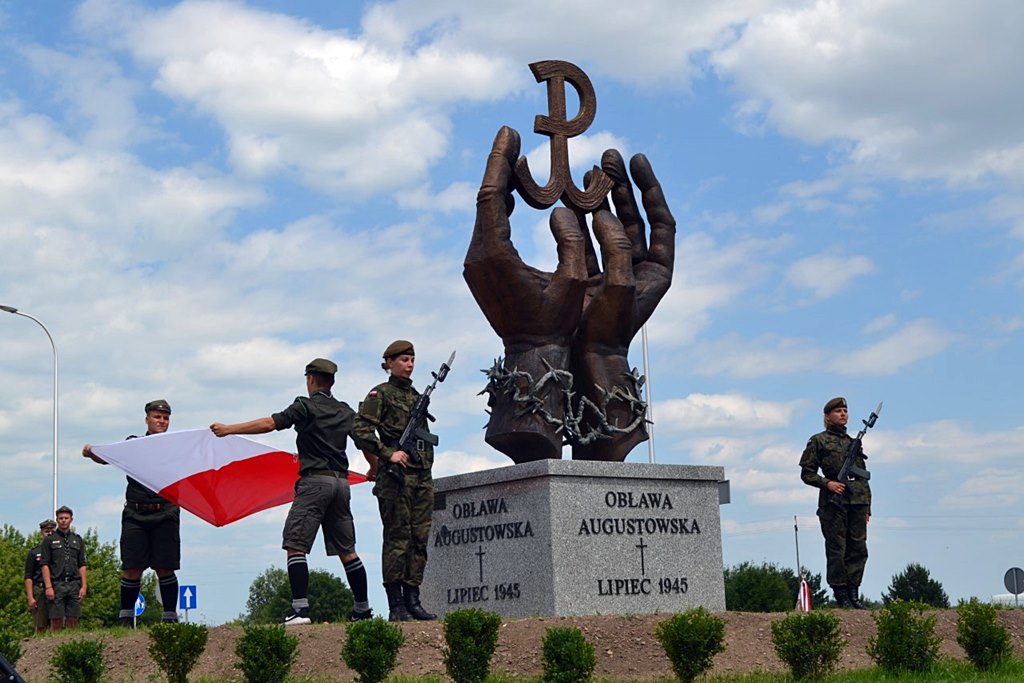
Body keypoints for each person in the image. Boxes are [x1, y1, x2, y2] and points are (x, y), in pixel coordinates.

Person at [210, 358, 372, 626]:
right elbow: (365, 441)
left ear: (310, 379)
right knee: (348, 550)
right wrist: (373, 468)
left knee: (296, 544)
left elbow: (270, 423)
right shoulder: (344, 411)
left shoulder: (304, 406)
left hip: (314, 483)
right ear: (331, 382)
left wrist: (229, 430)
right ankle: (363, 610)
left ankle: (300, 610)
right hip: (341, 484)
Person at [353, 340, 437, 622]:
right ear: (388, 362)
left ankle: (413, 598)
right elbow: (360, 430)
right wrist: (388, 454)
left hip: (421, 475)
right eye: (403, 359)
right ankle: (396, 604)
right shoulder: (381, 394)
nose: (409, 364)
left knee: (419, 538)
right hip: (396, 478)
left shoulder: (415, 396)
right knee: (397, 538)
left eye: (412, 359)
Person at [83, 399, 181, 625]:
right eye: (157, 417)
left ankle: (170, 618)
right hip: (135, 514)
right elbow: (108, 457)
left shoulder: (176, 446)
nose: (162, 421)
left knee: (165, 567)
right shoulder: (134, 444)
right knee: (131, 568)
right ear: (147, 419)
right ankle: (125, 619)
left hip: (165, 513)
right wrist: (91, 452)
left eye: (165, 418)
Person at [799, 397, 871, 609]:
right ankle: (841, 595)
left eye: (845, 410)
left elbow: (863, 477)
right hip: (833, 503)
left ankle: (854, 593)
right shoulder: (818, 441)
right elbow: (807, 473)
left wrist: (867, 507)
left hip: (857, 501)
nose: (843, 414)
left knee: (858, 548)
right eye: (838, 411)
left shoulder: (853, 443)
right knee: (837, 550)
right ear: (827, 416)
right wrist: (827, 483)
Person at [40, 506, 88, 631]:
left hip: (74, 584)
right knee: (56, 620)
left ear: (71, 519)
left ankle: (71, 645)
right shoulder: (49, 540)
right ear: (57, 520)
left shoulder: (77, 540)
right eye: (61, 518)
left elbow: (82, 564)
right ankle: (54, 645)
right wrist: (49, 587)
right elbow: (45, 565)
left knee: (73, 619)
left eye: (66, 518)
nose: (63, 520)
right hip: (57, 584)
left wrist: (84, 586)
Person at [24, 519, 57, 634]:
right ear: (41, 533)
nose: (49, 533)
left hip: (57, 587)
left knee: (56, 622)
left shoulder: (59, 551)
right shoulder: (34, 552)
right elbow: (28, 576)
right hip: (40, 588)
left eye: (52, 531)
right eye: (46, 531)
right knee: (40, 624)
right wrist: (30, 597)